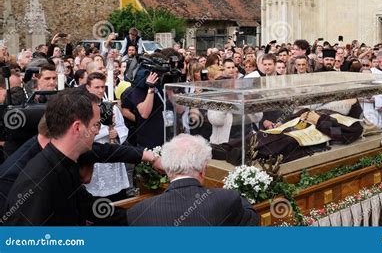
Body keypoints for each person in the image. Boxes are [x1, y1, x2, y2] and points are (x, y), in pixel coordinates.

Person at [3, 88, 124, 226]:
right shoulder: (38, 181)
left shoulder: (66, 162)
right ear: (77, 127)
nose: (97, 132)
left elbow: (87, 206)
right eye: (96, 125)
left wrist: (135, 216)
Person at [127, 134, 259, 226]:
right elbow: (253, 220)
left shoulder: (138, 213)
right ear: (203, 169)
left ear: (167, 169)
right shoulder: (227, 199)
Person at [85, 73, 130, 201]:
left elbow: (122, 127)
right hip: (95, 156)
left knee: (117, 198)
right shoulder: (83, 108)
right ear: (88, 88)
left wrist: (116, 134)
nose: (100, 90)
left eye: (102, 87)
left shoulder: (112, 108)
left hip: (113, 155)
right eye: (96, 87)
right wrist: (105, 132)